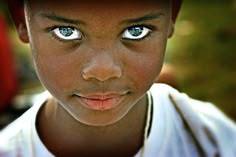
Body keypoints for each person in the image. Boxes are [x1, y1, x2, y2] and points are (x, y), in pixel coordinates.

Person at [1, 0, 236, 156]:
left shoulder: (214, 140)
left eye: (136, 31)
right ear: (22, 19)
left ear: (172, 15)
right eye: (66, 32)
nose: (103, 71)